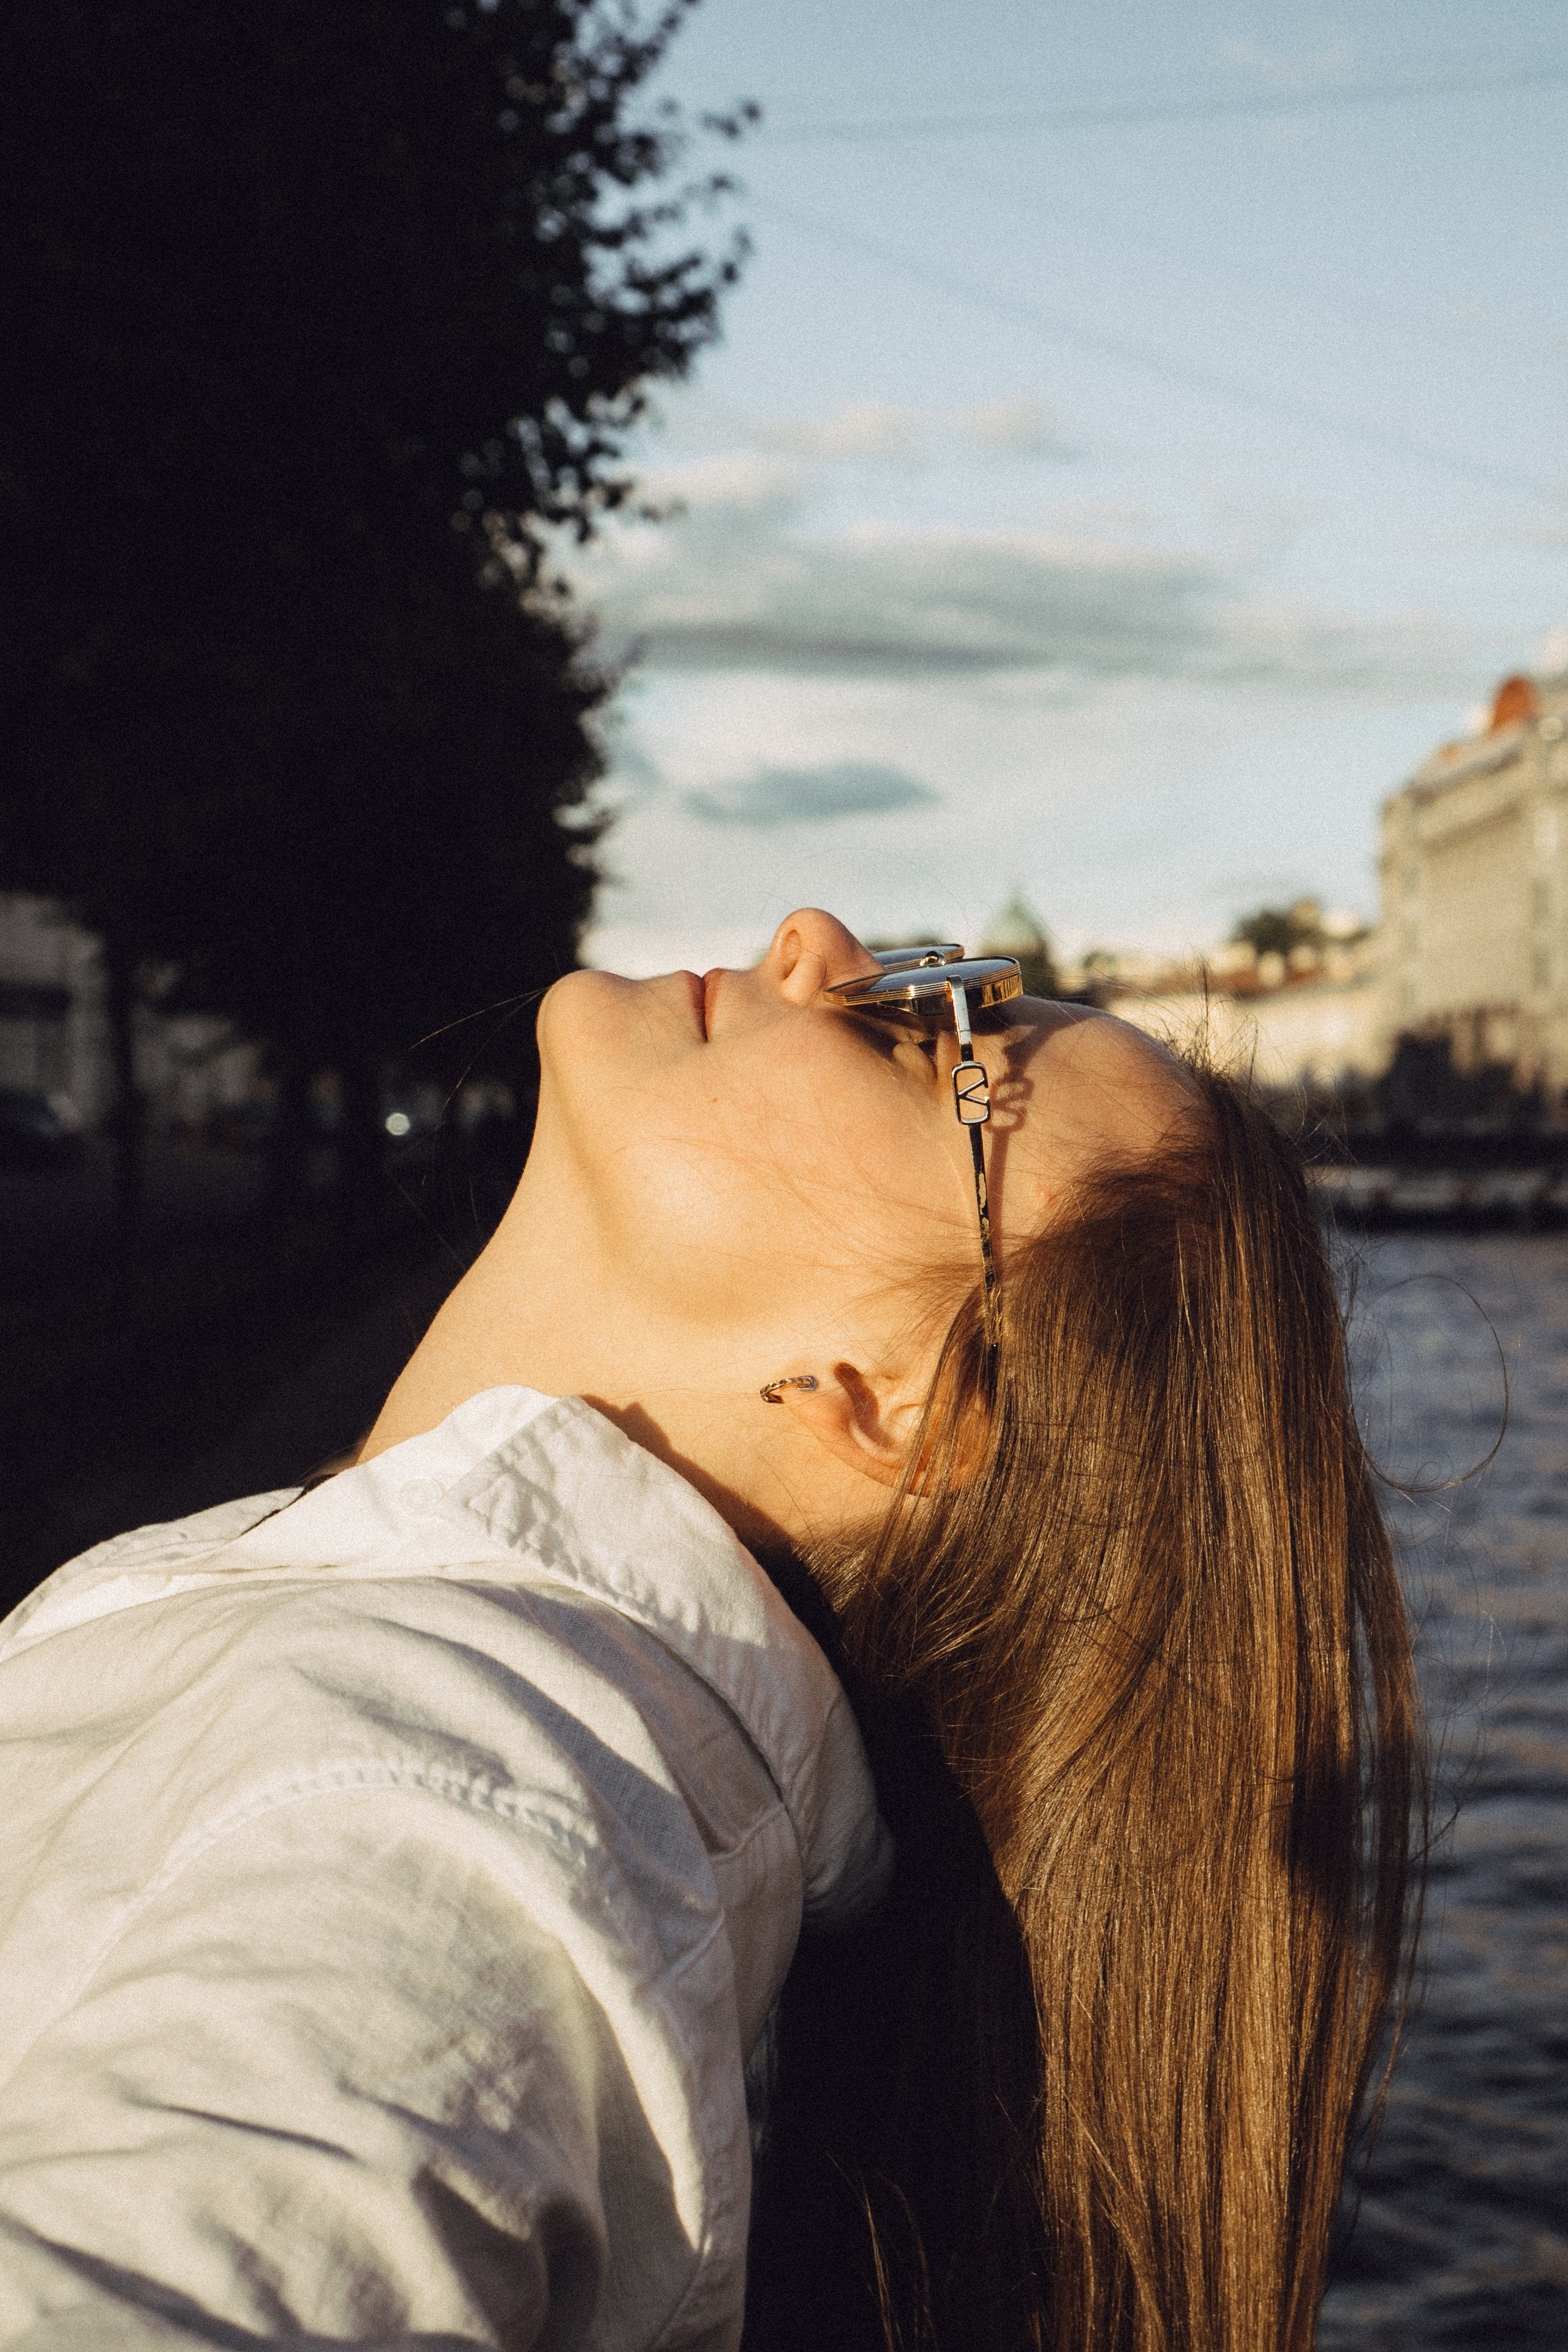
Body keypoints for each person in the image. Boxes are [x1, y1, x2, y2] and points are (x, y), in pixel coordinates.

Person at [0, 908, 1422, 2352]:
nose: (818, 942)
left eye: (930, 1041)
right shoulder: (494, 1757)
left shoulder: (445, 1804)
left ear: (901, 1405)